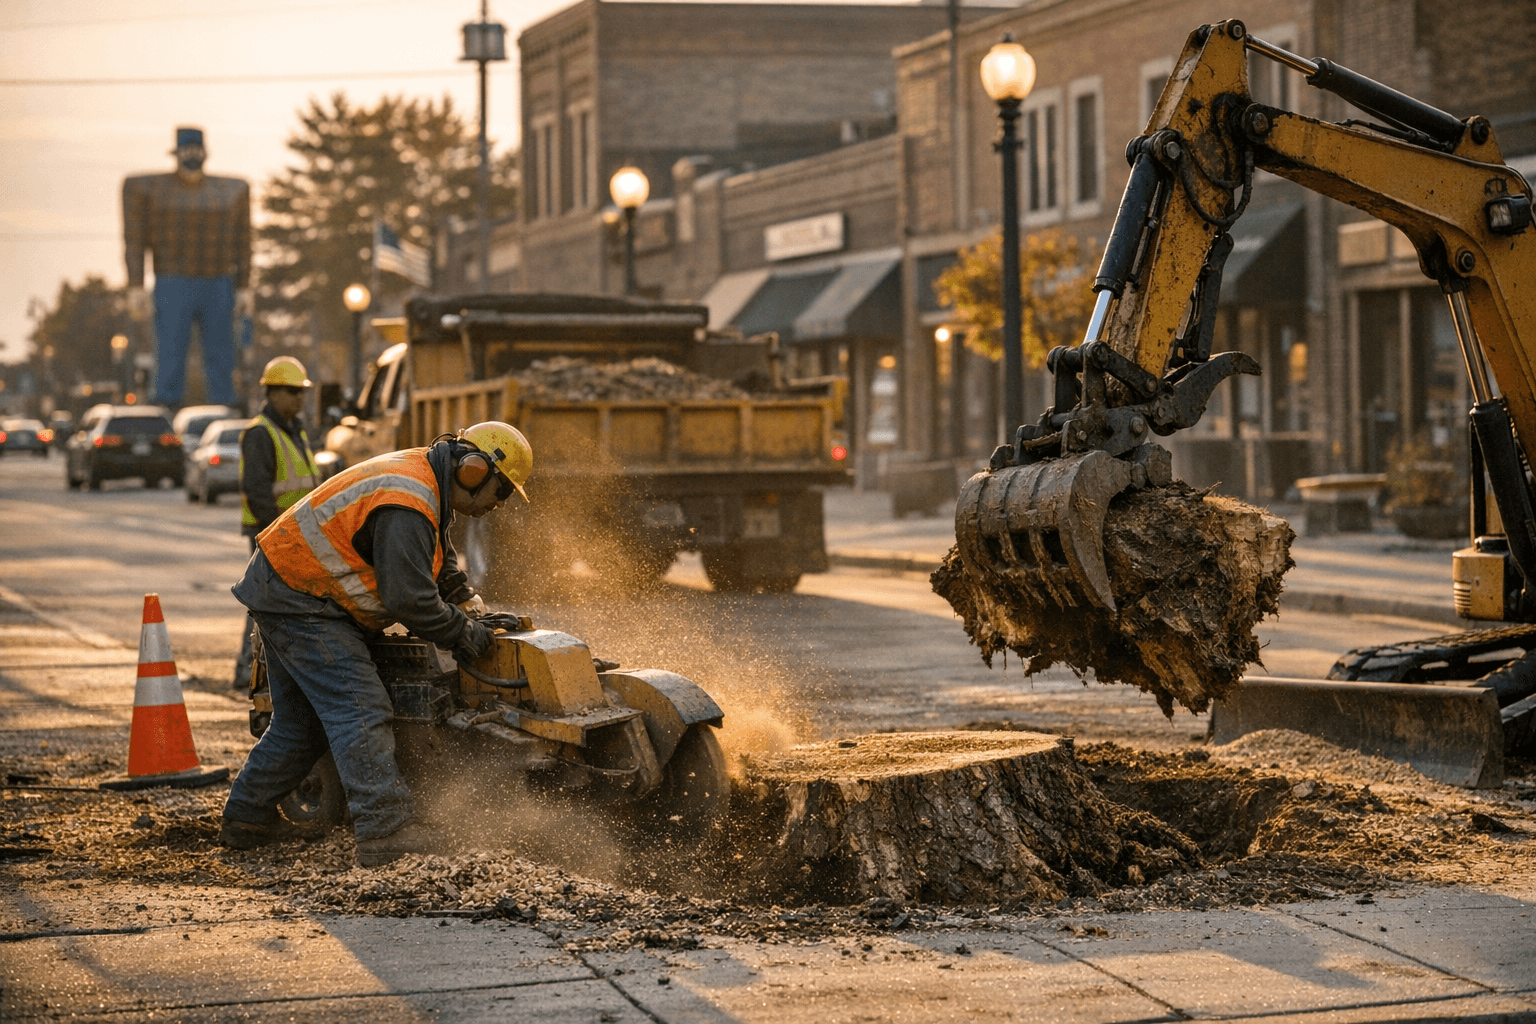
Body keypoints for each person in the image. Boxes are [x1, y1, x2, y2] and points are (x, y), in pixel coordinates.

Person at [219, 422, 533, 866]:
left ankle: (244, 819)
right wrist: (468, 637)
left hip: (285, 587)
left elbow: (431, 551)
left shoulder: (427, 481)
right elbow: (410, 599)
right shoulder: (409, 497)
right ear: (474, 469)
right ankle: (386, 828)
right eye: (500, 493)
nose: (498, 506)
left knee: (299, 725)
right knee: (361, 708)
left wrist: (462, 596)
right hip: (303, 598)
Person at [122, 126, 251, 407]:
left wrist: (244, 286)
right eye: (187, 150)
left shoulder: (230, 192)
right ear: (177, 154)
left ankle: (224, 405)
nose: (192, 155)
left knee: (221, 353)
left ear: (204, 153)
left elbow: (243, 240)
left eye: (196, 150)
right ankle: (166, 406)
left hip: (218, 280)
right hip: (172, 280)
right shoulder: (154, 192)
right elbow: (134, 238)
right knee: (169, 351)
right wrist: (135, 284)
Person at [232, 356, 322, 690]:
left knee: (283, 601)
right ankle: (246, 668)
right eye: (291, 391)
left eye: (302, 391)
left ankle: (276, 669)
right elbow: (257, 491)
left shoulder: (294, 430)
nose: (300, 398)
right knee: (262, 598)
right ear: (271, 393)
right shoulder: (260, 433)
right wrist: (276, 536)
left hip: (297, 534)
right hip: (273, 534)